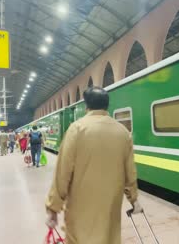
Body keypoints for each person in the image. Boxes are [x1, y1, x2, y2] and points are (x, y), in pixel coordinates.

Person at [45, 87, 141, 244]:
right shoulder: (123, 132)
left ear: (86, 106)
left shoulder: (77, 129)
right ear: (107, 106)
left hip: (81, 205)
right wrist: (134, 199)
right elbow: (130, 171)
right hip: (110, 205)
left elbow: (63, 172)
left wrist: (53, 207)